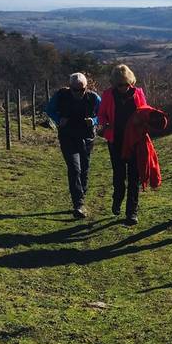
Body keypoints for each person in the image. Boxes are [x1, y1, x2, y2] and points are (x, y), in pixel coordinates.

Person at [46, 72, 101, 219]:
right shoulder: (61, 95)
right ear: (70, 87)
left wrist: (94, 121)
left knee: (84, 169)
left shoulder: (94, 97)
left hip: (87, 137)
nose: (79, 93)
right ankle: (78, 204)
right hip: (67, 136)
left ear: (86, 87)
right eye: (75, 90)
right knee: (74, 168)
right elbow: (49, 109)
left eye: (81, 89)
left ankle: (81, 193)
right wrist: (58, 119)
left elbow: (103, 113)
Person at [98, 65, 148, 224]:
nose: (123, 88)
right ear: (114, 83)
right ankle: (117, 198)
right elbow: (101, 115)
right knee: (119, 176)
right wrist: (105, 124)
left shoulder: (138, 93)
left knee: (134, 176)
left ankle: (131, 212)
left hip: (134, 140)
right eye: (120, 85)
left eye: (126, 84)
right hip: (116, 140)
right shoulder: (107, 95)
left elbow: (145, 111)